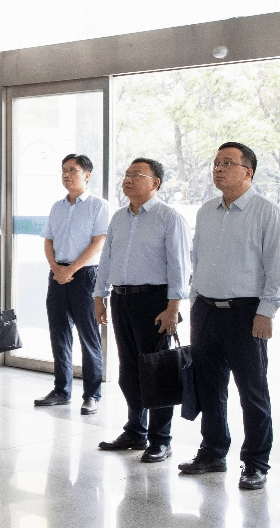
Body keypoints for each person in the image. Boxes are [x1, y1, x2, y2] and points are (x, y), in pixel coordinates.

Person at [179, 142, 280, 490]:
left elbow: (276, 267)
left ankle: (256, 462)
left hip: (246, 314)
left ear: (248, 172)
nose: (218, 169)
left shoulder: (267, 212)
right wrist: (194, 303)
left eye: (227, 163)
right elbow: (197, 261)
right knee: (209, 386)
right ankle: (213, 451)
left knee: (252, 391)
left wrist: (266, 312)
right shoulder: (206, 211)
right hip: (205, 311)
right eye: (216, 163)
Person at [94, 158, 190, 463]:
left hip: (155, 302)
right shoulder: (119, 217)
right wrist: (99, 296)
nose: (128, 179)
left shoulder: (169, 217)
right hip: (121, 300)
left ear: (155, 183)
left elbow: (179, 266)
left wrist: (173, 307)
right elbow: (106, 259)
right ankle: (136, 431)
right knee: (129, 372)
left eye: (137, 175)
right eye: (127, 174)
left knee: (156, 371)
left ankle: (161, 439)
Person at [36, 153, 109, 414]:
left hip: (85, 276)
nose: (66, 175)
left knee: (88, 337)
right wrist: (57, 268)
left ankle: (92, 395)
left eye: (72, 170)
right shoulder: (58, 207)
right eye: (64, 170)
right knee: (59, 336)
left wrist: (72, 269)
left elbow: (99, 242)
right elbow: (48, 241)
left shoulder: (99, 206)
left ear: (87, 175)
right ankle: (61, 390)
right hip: (57, 275)